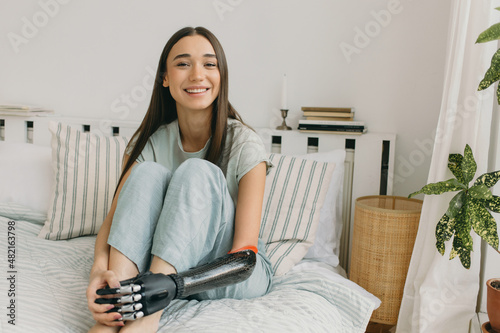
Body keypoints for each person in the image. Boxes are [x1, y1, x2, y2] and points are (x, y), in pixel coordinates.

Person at [86, 26, 274, 333]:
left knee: (196, 172)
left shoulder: (244, 143)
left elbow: (244, 258)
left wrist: (171, 286)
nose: (198, 75)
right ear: (165, 77)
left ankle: (145, 319)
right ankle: (116, 307)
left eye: (210, 64)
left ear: (221, 76)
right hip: (165, 272)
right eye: (183, 63)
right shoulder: (147, 143)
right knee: (146, 173)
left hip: (229, 274)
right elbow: (114, 221)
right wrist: (98, 273)